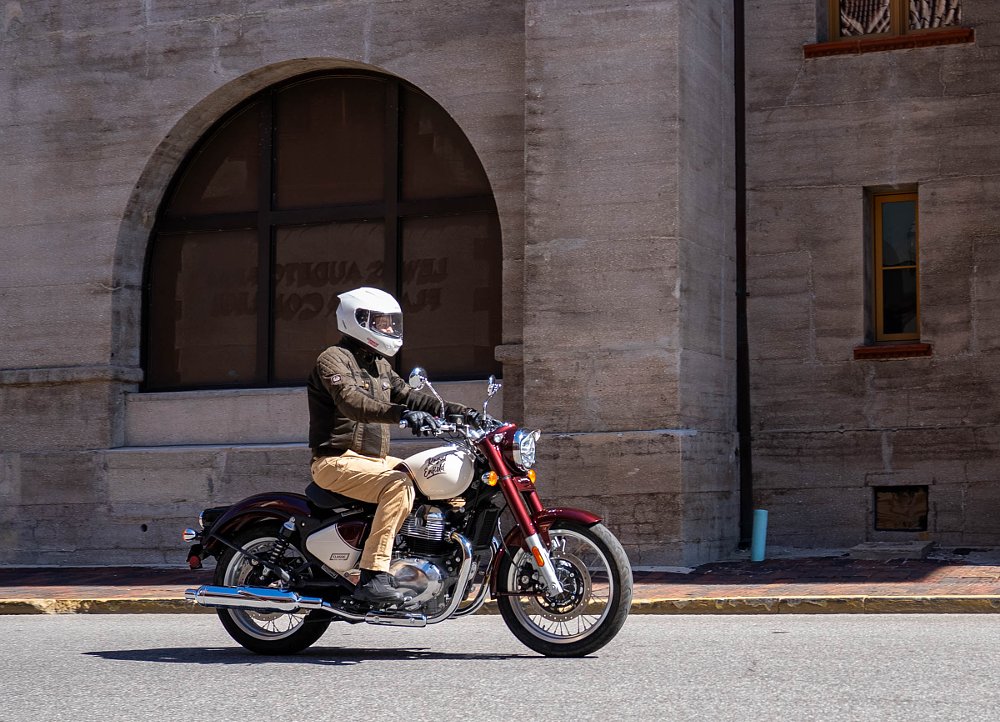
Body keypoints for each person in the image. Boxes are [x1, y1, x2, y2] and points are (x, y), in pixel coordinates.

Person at [307, 287, 477, 604]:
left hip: (373, 461)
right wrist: (402, 415)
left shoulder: (381, 367)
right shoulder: (332, 360)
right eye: (382, 323)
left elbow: (413, 397)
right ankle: (373, 574)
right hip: (335, 460)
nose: (389, 330)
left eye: (390, 323)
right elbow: (352, 402)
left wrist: (462, 412)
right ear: (357, 320)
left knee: (425, 477)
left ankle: (432, 557)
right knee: (399, 485)